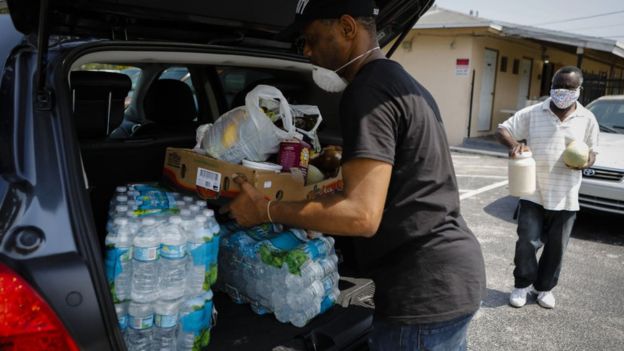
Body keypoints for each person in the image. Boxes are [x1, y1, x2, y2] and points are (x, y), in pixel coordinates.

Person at [222, 0, 486, 349]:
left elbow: (361, 216)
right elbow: (394, 183)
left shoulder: (367, 91)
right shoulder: (399, 81)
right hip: (449, 277)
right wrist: (319, 200)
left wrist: (266, 210)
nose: (308, 51)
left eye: (312, 38)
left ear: (348, 28)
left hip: (422, 293)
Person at [496, 66, 599, 309]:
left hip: (566, 196)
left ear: (579, 90)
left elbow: (593, 152)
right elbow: (503, 129)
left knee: (556, 249)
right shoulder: (534, 112)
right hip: (533, 191)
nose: (563, 92)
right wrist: (513, 145)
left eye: (569, 88)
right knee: (526, 244)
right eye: (558, 86)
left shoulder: (587, 119)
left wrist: (585, 161)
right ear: (551, 87)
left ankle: (544, 289)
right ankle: (522, 285)